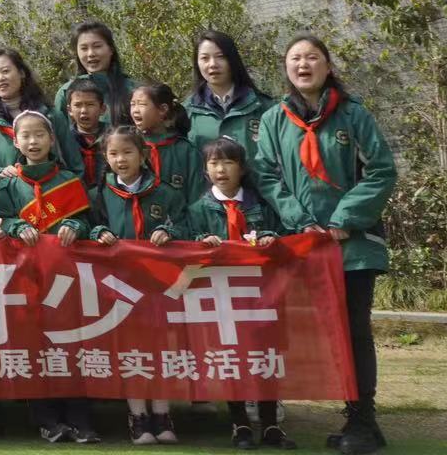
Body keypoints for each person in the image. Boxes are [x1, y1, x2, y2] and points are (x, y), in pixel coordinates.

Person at [254, 35, 395, 455]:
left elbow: (381, 171)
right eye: (294, 58)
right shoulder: (274, 120)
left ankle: (362, 420)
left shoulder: (354, 115)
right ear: (286, 69)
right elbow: (265, 176)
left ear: (327, 66)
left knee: (354, 331)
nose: (303, 64)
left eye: (311, 57)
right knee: (312, 333)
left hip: (352, 246)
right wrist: (301, 221)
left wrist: (342, 219)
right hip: (301, 245)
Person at [0, 110, 98, 444]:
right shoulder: (9, 184)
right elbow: (0, 219)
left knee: (70, 344)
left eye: (39, 135)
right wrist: (17, 225)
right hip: (26, 277)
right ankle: (47, 419)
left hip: (66, 278)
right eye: (25, 135)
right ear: (16, 141)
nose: (33, 141)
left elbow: (88, 222)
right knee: (34, 346)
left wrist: (75, 226)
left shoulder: (68, 180)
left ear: (52, 140)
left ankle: (81, 418)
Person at [188, 137, 293, 451]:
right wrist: (200, 241)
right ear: (205, 170)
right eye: (214, 163)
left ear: (242, 168)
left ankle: (270, 422)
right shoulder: (199, 208)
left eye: (228, 162)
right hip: (220, 295)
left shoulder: (260, 204)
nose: (221, 170)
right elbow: (186, 239)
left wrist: (271, 238)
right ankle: (240, 423)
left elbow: (284, 234)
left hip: (262, 293)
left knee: (265, 355)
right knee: (231, 357)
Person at [89, 126, 184, 446]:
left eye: (128, 152)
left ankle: (161, 413)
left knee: (159, 349)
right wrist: (98, 232)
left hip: (158, 284)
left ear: (143, 154)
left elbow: (185, 222)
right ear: (105, 158)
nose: (120, 159)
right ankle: (137, 416)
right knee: (130, 350)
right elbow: (88, 223)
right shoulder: (99, 194)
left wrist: (168, 232)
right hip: (119, 287)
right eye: (113, 154)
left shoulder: (165, 193)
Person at [0, 48, 78, 177]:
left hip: (56, 192)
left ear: (22, 73)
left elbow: (74, 163)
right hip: (10, 194)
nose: (0, 78)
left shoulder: (50, 115)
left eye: (5, 71)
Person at [186, 31, 276, 180]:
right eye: (204, 58)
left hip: (258, 200)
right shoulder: (186, 112)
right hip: (205, 201)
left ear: (232, 59)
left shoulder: (264, 108)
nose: (213, 64)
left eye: (220, 56)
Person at [57, 22, 134, 127]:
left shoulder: (133, 89)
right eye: (84, 48)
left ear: (111, 49)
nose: (91, 54)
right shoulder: (66, 91)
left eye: (97, 46)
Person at [129, 82, 200, 196]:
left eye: (142, 104)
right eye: (132, 104)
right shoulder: (130, 146)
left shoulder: (185, 150)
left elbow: (197, 195)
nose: (135, 110)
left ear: (162, 109)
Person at [65, 79, 110, 186]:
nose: (84, 110)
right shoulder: (66, 139)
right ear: (69, 110)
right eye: (78, 105)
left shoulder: (113, 135)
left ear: (102, 109)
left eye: (90, 104)